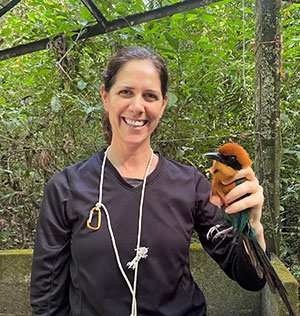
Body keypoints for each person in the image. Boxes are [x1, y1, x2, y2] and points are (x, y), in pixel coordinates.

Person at [30, 46, 267, 316]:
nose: (137, 107)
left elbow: (250, 277)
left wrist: (252, 226)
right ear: (105, 97)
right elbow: (47, 299)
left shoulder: (190, 184)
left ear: (163, 104)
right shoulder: (67, 187)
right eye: (125, 92)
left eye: (150, 96)